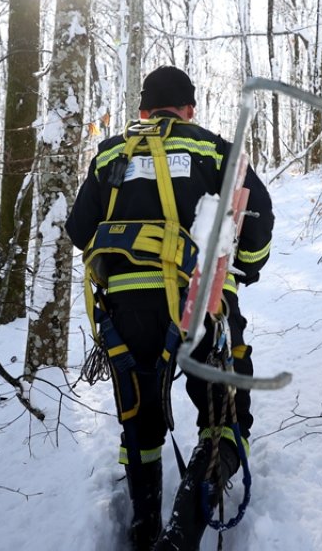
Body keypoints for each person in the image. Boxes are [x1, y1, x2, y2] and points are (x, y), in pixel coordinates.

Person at [65, 66, 274, 550]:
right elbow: (257, 219)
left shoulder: (110, 155)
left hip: (125, 313)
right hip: (201, 304)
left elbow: (79, 233)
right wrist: (243, 270)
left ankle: (143, 528)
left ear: (143, 111)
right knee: (224, 418)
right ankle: (181, 536)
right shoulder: (212, 148)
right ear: (189, 110)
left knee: (140, 420)